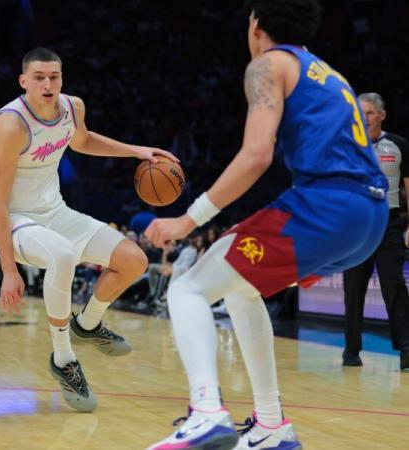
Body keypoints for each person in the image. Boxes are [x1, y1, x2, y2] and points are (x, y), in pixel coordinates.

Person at [145, 2, 388, 449]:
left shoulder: (267, 64)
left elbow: (257, 154)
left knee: (188, 287)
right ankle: (271, 424)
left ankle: (206, 411)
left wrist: (188, 219)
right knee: (241, 287)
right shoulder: (328, 73)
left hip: (327, 204)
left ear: (256, 25)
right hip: (370, 216)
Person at [0, 47, 174, 412]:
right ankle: (63, 358)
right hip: (13, 220)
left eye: (54, 76)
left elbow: (83, 141)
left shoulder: (73, 107)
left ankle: (87, 324)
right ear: (23, 81)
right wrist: (8, 270)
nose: (47, 83)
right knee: (63, 254)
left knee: (133, 260)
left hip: (55, 213)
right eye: (38, 77)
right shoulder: (10, 124)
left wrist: (138, 152)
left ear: (62, 79)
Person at [342, 92, 409, 369]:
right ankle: (352, 350)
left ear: (381, 116)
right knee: (353, 288)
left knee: (394, 283)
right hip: (357, 227)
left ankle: (406, 347)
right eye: (360, 113)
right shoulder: (348, 146)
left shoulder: (399, 145)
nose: (364, 118)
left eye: (370, 113)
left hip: (390, 223)